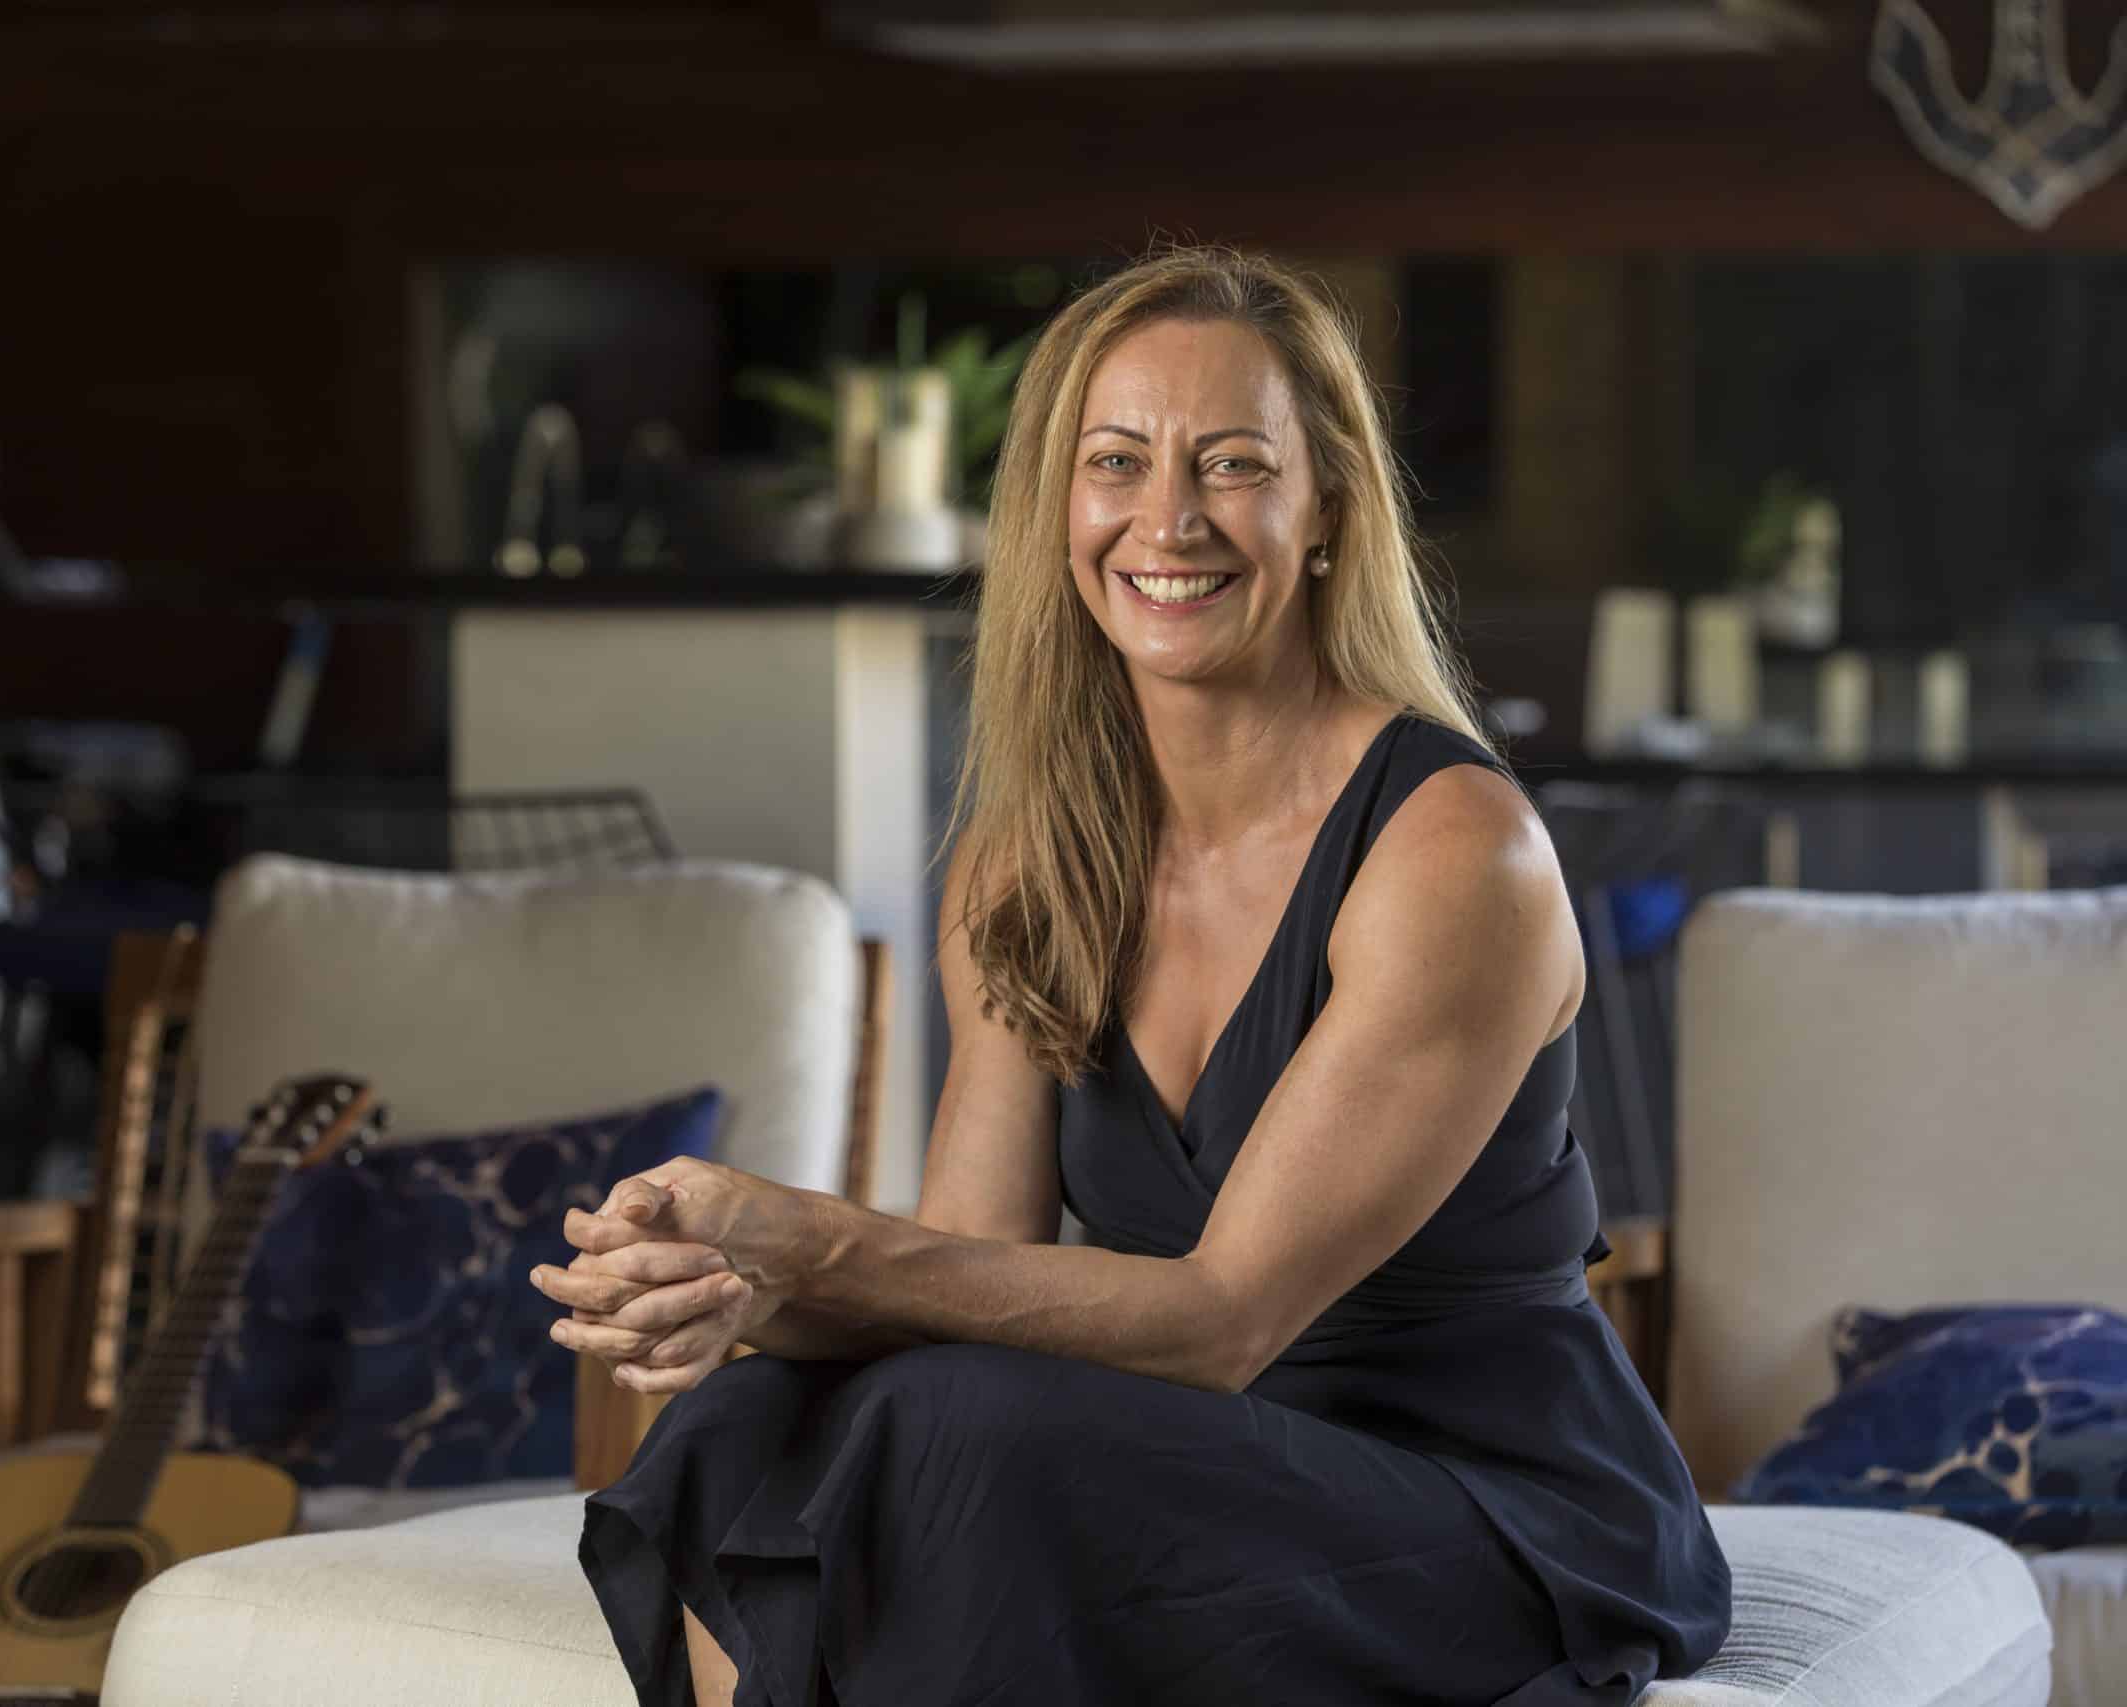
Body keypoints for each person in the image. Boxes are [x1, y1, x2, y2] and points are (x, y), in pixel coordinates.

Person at [529, 243, 1733, 1707]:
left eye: (1231, 464)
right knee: (750, 1418)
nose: (1168, 521)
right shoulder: (1029, 856)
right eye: (1119, 463)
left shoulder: (1453, 852)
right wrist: (736, 1292)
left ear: (1329, 507)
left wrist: (808, 1241)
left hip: (1486, 1512)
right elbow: (966, 1261)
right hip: (1176, 1467)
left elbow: (1225, 1318)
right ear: (1059, 507)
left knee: (964, 1437)